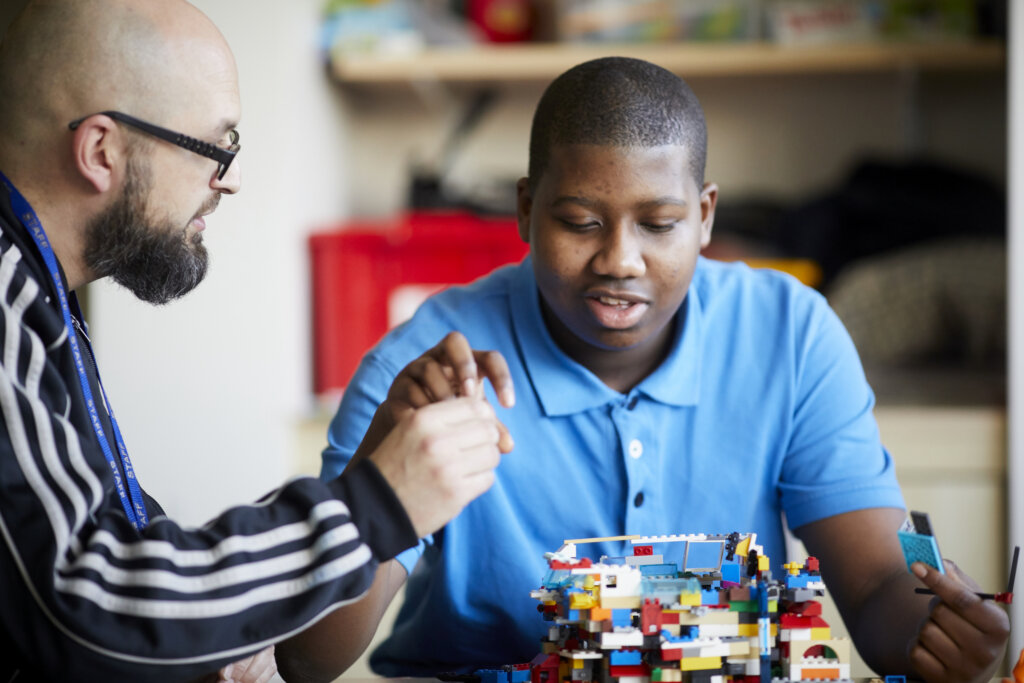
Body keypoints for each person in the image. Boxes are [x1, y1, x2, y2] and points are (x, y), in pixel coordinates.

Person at [278, 57, 1011, 682]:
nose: (620, 260)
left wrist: (940, 633)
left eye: (659, 224)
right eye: (581, 222)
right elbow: (306, 659)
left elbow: (881, 582)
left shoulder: (790, 334)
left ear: (706, 216)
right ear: (527, 208)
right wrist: (380, 488)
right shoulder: (427, 367)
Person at [0, 1, 508, 681]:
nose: (230, 179)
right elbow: (81, 600)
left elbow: (110, 537)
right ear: (101, 150)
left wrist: (211, 647)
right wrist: (377, 506)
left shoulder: (39, 293)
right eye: (217, 146)